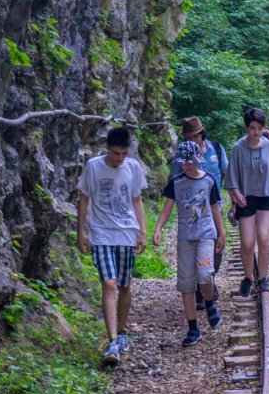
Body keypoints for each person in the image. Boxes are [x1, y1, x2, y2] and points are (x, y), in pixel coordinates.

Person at [76, 126, 148, 366]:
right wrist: (81, 232)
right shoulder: (93, 167)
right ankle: (112, 341)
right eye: (116, 153)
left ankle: (123, 329)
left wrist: (143, 232)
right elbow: (84, 198)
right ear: (107, 148)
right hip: (101, 234)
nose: (119, 158)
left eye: (124, 153)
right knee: (109, 283)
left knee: (125, 286)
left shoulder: (133, 168)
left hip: (127, 234)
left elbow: (136, 200)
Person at [153, 141, 225, 346]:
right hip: (185, 236)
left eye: (191, 161)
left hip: (205, 234)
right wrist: (158, 228)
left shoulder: (209, 180)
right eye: (184, 162)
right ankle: (193, 327)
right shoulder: (176, 182)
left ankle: (210, 302)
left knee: (204, 273)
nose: (187, 165)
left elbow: (214, 207)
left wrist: (222, 232)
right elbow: (167, 207)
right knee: (186, 282)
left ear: (197, 160)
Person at [224, 108, 269, 296]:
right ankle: (247, 277)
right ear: (246, 127)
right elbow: (231, 178)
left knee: (263, 237)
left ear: (264, 128)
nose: (256, 132)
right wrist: (236, 194)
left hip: (266, 196)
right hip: (246, 198)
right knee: (247, 242)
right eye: (252, 128)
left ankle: (263, 278)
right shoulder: (238, 148)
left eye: (259, 128)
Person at [170, 117, 228, 310]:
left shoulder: (217, 149)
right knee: (197, 247)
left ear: (202, 133)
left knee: (216, 251)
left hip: (213, 206)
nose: (192, 139)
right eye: (188, 137)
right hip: (191, 211)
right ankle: (199, 289)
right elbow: (174, 180)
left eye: (195, 135)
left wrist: (235, 200)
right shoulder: (183, 154)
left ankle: (208, 281)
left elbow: (226, 173)